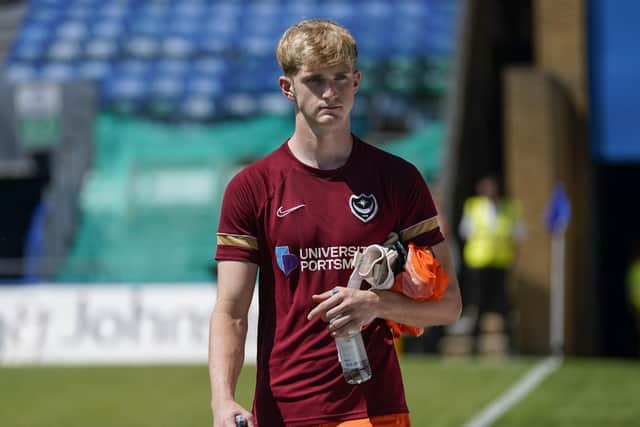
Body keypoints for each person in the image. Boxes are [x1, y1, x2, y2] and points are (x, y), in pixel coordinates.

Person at [208, 19, 461, 427]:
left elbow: (449, 306)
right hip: (284, 411)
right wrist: (222, 400)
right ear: (287, 88)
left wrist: (376, 304)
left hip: (375, 409)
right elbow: (231, 310)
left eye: (341, 78)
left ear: (357, 80)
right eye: (315, 80)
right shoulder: (251, 188)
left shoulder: (398, 179)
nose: (330, 93)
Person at [457, 173, 523, 353]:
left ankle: (511, 346)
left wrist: (515, 262)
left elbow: (517, 236)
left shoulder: (509, 208)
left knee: (504, 305)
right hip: (478, 263)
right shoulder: (473, 206)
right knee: (476, 304)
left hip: (500, 264)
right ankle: (473, 345)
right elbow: (465, 233)